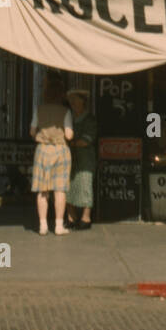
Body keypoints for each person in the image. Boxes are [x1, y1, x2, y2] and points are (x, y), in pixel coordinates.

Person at [30, 74, 75, 236]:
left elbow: (32, 131)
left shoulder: (39, 109)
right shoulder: (65, 111)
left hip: (42, 150)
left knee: (42, 190)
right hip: (60, 151)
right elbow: (69, 135)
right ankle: (58, 225)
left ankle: (42, 225)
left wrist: (41, 137)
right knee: (59, 190)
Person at [65, 89, 97, 228]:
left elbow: (86, 140)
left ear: (83, 101)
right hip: (70, 157)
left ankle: (86, 217)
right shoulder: (69, 117)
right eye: (71, 99)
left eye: (75, 99)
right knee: (68, 185)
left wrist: (71, 143)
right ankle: (71, 216)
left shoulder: (89, 119)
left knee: (85, 184)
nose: (72, 102)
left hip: (85, 158)